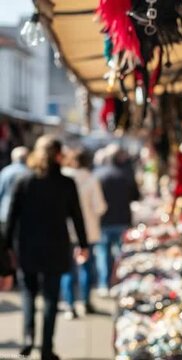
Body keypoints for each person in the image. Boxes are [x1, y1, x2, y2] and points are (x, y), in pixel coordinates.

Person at [6, 135, 88, 360]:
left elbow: (11, 217)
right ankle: (46, 348)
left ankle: (28, 339)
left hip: (27, 247)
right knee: (51, 297)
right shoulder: (65, 183)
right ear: (59, 155)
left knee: (29, 295)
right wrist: (83, 244)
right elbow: (77, 217)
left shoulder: (24, 181)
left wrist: (5, 248)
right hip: (55, 247)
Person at [60, 148, 107, 318]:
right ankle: (85, 301)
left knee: (68, 269)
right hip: (88, 231)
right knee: (87, 267)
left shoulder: (64, 177)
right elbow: (100, 207)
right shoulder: (91, 179)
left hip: (66, 231)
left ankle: (70, 304)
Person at [94, 144, 140, 296]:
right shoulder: (125, 175)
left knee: (104, 254)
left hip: (105, 220)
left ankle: (104, 284)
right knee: (120, 254)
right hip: (121, 219)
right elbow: (135, 196)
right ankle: (117, 283)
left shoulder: (99, 175)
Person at [0, 146, 29, 291]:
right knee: (19, 246)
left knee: (7, 245)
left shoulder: (6, 172)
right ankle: (18, 274)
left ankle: (10, 271)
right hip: (24, 217)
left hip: (5, 214)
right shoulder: (29, 173)